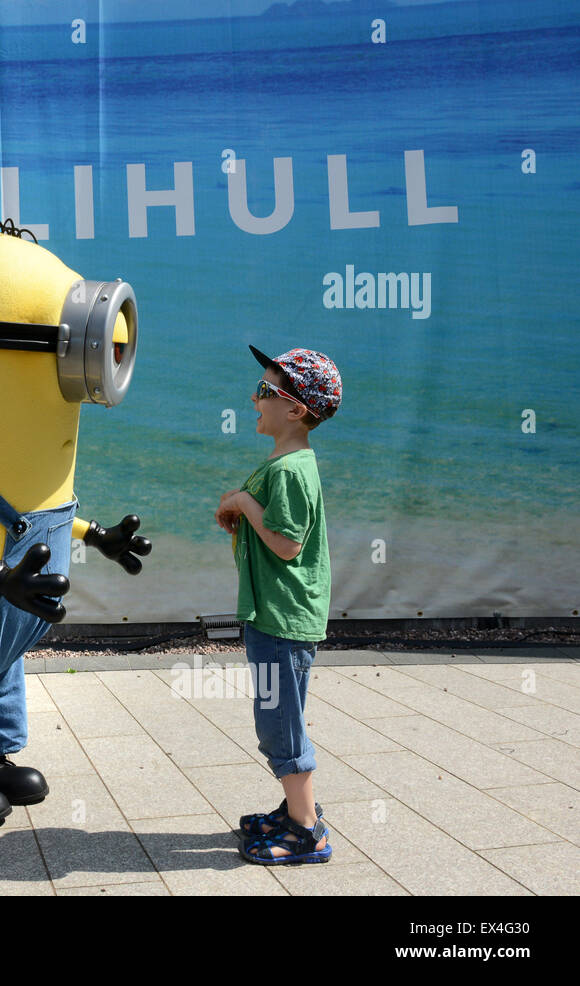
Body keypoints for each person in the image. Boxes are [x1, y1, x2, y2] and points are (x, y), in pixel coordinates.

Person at [215, 345, 341, 865]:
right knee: (281, 714)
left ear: (296, 410)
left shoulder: (290, 470)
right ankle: (295, 811)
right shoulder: (290, 462)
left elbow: (288, 544)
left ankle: (306, 832)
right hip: (280, 614)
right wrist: (243, 509)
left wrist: (243, 502)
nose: (254, 397)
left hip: (281, 619)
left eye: (266, 391)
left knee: (280, 723)